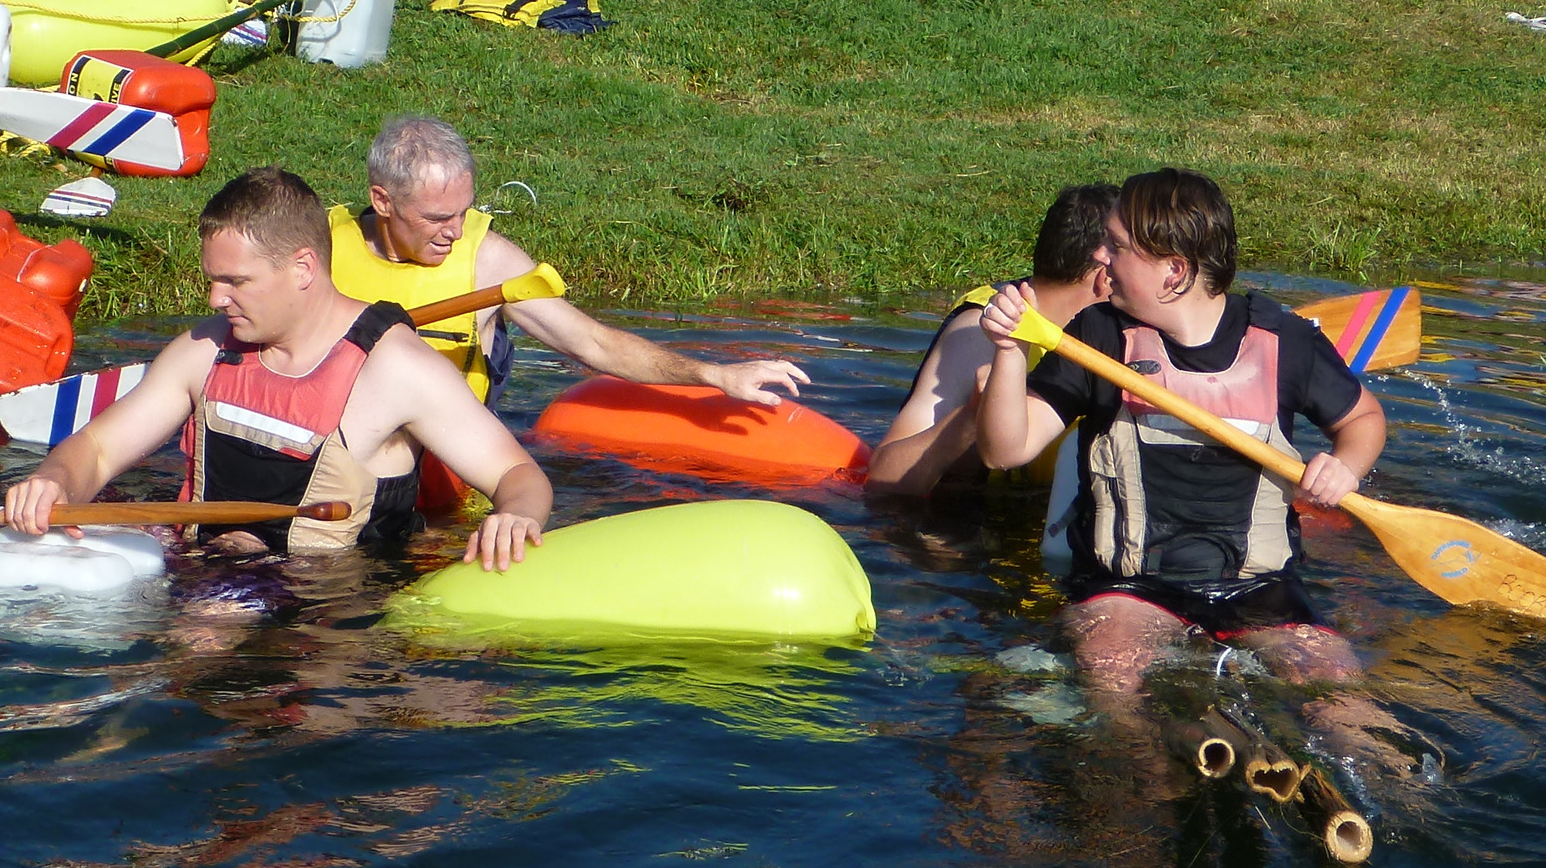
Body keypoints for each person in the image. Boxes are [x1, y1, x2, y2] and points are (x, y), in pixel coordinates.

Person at [974, 169, 1388, 704]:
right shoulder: (1095, 334)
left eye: (1117, 246)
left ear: (1174, 271)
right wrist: (1008, 351)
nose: (1100, 256)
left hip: (1260, 589)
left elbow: (1363, 421)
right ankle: (1145, 775)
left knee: (1340, 694)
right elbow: (1005, 450)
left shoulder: (1284, 340)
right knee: (1113, 678)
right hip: (1128, 591)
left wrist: (1346, 465)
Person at [1, 168, 553, 565]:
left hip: (329, 616)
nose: (216, 299)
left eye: (235, 282)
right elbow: (97, 449)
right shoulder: (206, 349)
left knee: (207, 629)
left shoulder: (399, 369)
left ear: (302, 268)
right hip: (203, 565)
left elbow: (518, 475)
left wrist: (516, 517)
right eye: (213, 279)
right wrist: (53, 480)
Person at [333, 117, 808, 408]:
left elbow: (594, 344)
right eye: (438, 218)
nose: (456, 232)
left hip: (443, 468)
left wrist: (715, 375)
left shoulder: (490, 262)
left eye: (464, 211)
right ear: (383, 201)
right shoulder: (321, 252)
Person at [866, 185, 1118, 497]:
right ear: (1105, 273)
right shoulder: (979, 334)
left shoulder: (1119, 333)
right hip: (978, 524)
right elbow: (883, 479)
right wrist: (974, 416)